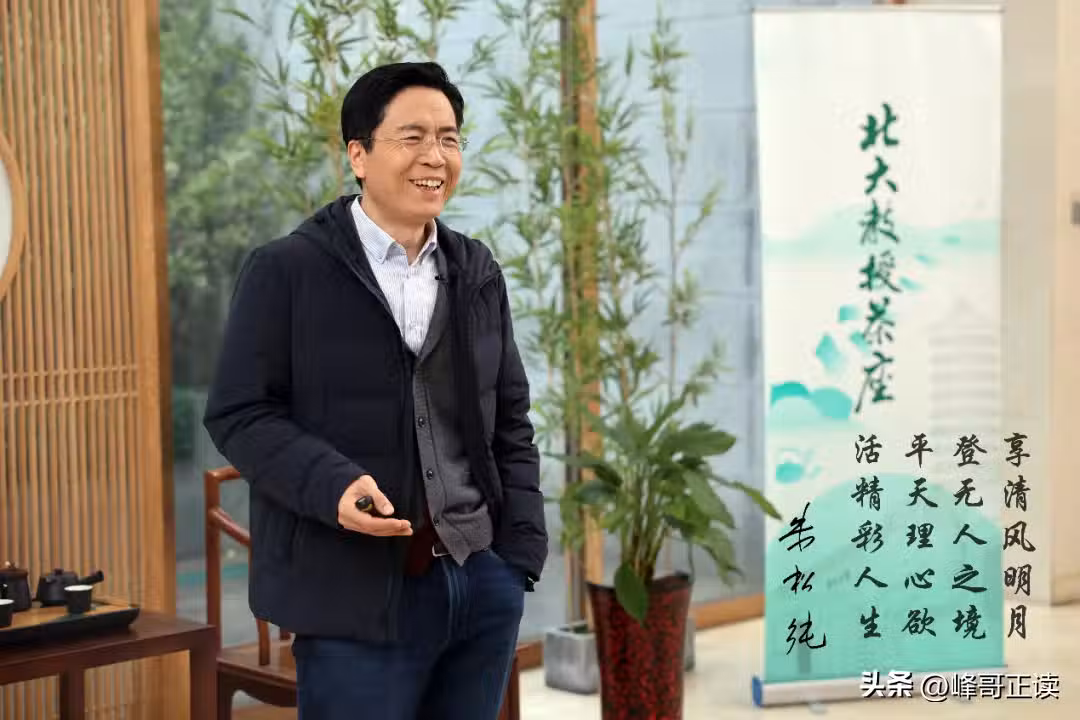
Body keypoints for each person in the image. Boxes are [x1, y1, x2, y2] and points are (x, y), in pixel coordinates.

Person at [203, 61, 548, 719]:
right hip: (351, 597)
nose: (435, 156)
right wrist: (330, 483)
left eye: (449, 138)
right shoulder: (287, 270)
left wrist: (518, 556)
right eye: (411, 137)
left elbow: (510, 417)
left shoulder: (476, 269)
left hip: (481, 580)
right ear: (357, 155)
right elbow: (239, 412)